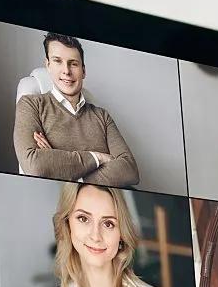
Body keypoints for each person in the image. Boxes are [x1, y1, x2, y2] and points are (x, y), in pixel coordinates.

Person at [36, 183, 175, 287]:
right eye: (83, 218)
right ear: (67, 224)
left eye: (108, 224)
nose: (96, 236)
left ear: (121, 234)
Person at [13, 33, 140, 186]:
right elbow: (35, 166)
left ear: (83, 70)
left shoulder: (102, 116)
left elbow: (129, 171)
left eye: (73, 63)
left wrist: (62, 169)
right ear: (48, 65)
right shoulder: (30, 104)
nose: (66, 70)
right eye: (58, 61)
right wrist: (97, 158)